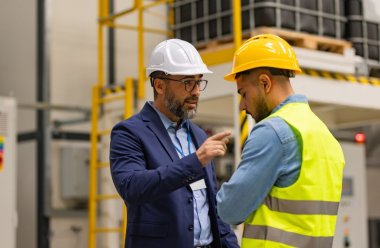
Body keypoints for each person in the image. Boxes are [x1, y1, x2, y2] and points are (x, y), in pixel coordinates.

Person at [216, 34, 345, 248]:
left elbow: (230, 210)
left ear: (265, 83)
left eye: (244, 93)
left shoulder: (272, 132)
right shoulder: (324, 134)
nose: (242, 105)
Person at [110, 39, 239, 248]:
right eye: (188, 82)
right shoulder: (129, 132)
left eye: (199, 82)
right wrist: (195, 161)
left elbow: (211, 206)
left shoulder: (198, 135)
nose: (196, 91)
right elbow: (132, 187)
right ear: (160, 85)